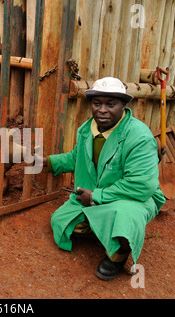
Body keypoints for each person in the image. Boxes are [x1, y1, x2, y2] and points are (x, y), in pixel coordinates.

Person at [43, 77, 166, 280]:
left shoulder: (139, 137)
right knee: (60, 221)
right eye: (97, 103)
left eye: (111, 104)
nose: (102, 110)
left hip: (133, 198)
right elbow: (76, 158)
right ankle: (102, 229)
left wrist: (95, 196)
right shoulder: (87, 129)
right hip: (96, 193)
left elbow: (142, 185)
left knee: (126, 217)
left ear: (123, 106)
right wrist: (46, 162)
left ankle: (118, 254)